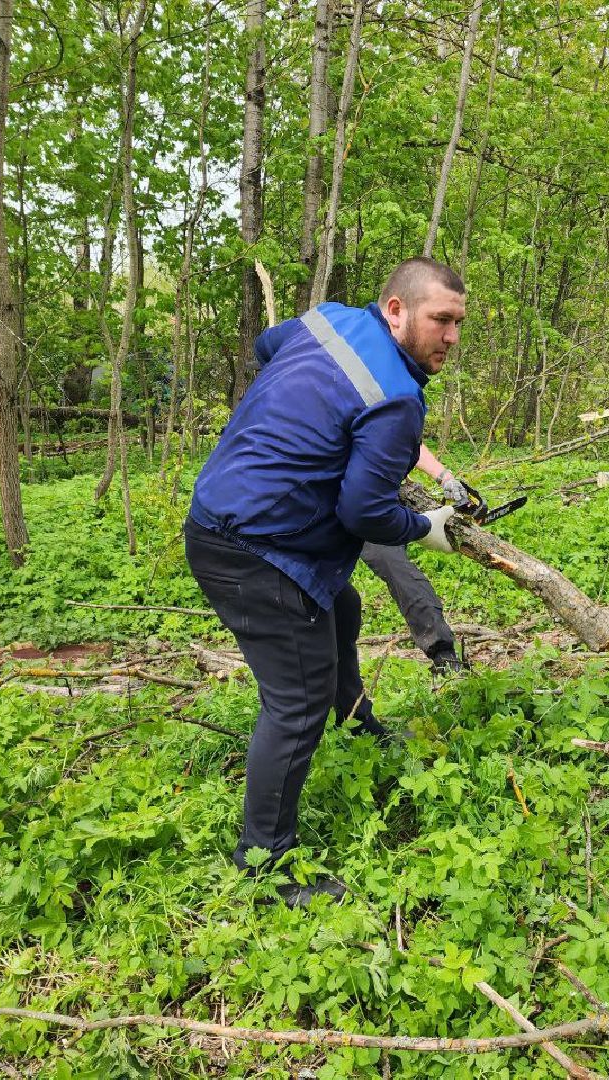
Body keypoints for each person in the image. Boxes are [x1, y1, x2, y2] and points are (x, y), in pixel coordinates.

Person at [183, 257, 466, 907]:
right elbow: (363, 513)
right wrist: (426, 528)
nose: (451, 337)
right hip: (254, 552)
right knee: (296, 705)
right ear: (396, 310)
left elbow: (266, 347)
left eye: (458, 323)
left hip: (219, 516)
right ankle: (264, 866)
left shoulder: (329, 320)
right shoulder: (398, 399)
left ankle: (357, 721)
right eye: (440, 320)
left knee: (341, 605)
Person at [360, 443, 471, 676]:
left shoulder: (383, 422)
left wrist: (446, 478)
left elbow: (409, 443)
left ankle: (444, 655)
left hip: (371, 505)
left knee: (396, 568)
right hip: (326, 506)